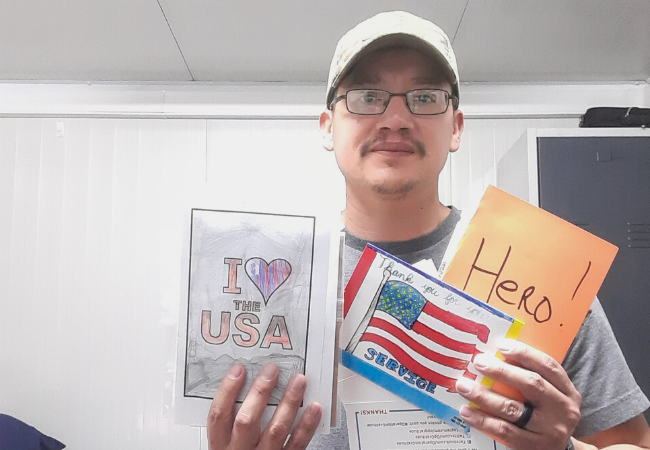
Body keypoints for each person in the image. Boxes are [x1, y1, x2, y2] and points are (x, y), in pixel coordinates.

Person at [206, 11, 650, 450]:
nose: (395, 118)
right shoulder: (282, 280)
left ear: (456, 127)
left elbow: (631, 444)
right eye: (366, 96)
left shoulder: (542, 273)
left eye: (423, 97)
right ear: (328, 128)